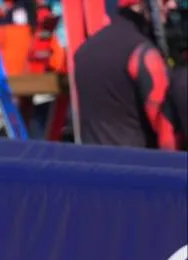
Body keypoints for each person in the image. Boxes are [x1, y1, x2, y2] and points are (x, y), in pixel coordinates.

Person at [72, 0, 180, 150]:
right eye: (165, 0)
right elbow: (166, 130)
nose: (173, 5)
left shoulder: (84, 51)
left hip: (94, 164)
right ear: (139, 5)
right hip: (139, 166)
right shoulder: (143, 52)